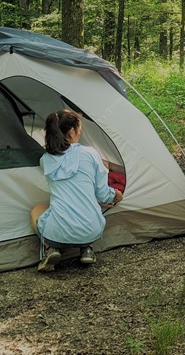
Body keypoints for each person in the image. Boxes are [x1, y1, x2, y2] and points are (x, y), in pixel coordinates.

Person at [30, 110, 123, 273]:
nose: (81, 132)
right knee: (87, 208)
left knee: (37, 210)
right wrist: (116, 195)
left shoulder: (45, 160)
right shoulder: (90, 153)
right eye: (80, 128)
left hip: (57, 233)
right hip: (91, 230)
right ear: (72, 131)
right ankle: (86, 249)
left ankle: (50, 248)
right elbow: (103, 194)